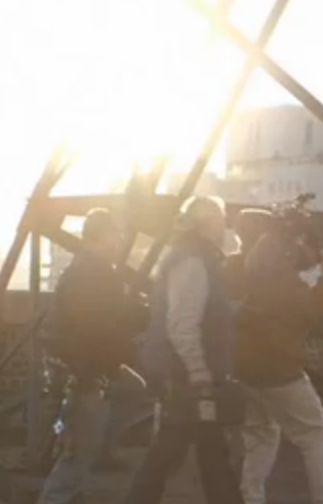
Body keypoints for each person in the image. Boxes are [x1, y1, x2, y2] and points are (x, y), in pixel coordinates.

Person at [122, 196, 244, 504]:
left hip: (184, 374)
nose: (223, 228)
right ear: (207, 225)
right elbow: (182, 323)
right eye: (220, 221)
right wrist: (198, 368)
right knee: (188, 454)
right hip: (188, 376)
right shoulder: (192, 262)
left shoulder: (192, 257)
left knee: (199, 453)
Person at [36, 208, 147, 504]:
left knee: (132, 390)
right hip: (83, 369)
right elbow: (94, 328)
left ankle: (98, 450)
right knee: (77, 446)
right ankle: (60, 495)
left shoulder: (90, 270)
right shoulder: (92, 274)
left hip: (86, 364)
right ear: (104, 236)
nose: (120, 241)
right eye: (116, 235)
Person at [234, 219, 323, 504]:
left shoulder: (249, 274)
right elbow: (314, 313)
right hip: (280, 369)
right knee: (315, 435)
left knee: (261, 434)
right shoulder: (284, 282)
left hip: (244, 369)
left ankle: (250, 497)